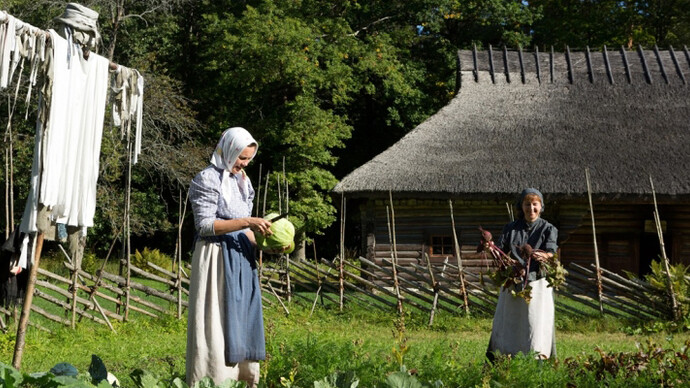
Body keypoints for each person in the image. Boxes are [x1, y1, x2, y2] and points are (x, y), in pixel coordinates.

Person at [186, 127, 272, 387]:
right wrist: (246, 221)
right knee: (216, 322)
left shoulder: (243, 181)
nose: (244, 164)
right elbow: (204, 225)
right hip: (216, 259)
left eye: (248, 159)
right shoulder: (207, 179)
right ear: (229, 150)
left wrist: (269, 244)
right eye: (241, 158)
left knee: (241, 318)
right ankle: (214, 380)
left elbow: (246, 232)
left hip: (240, 256)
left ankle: (241, 379)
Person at [486, 188, 558, 361]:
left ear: (541, 207)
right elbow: (501, 252)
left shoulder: (548, 228)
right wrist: (492, 249)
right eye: (527, 204)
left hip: (538, 283)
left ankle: (537, 360)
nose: (531, 209)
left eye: (535, 204)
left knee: (535, 324)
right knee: (509, 323)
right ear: (521, 206)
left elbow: (551, 251)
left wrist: (545, 256)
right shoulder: (510, 228)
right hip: (512, 281)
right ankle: (503, 358)